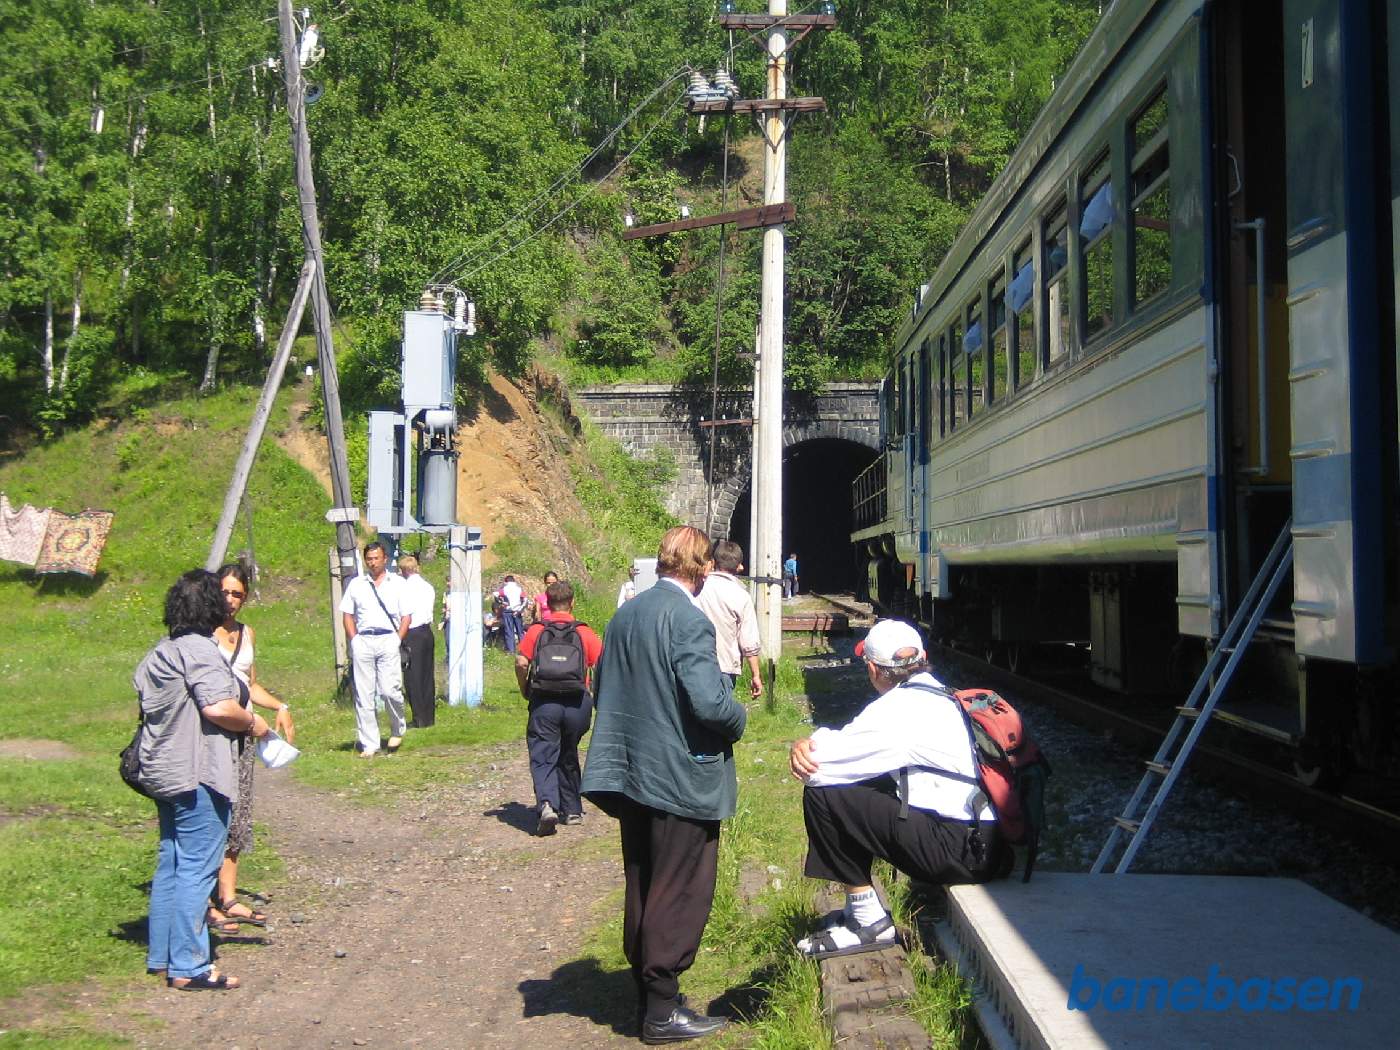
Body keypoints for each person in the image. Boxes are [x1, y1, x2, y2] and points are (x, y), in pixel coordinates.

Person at [582, 526, 747, 1044]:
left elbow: (602, 682)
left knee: (644, 880)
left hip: (633, 775)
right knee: (680, 888)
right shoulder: (688, 620)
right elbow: (708, 702)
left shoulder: (626, 613)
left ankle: (649, 995)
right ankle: (661, 1012)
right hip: (678, 777)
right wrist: (738, 715)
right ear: (700, 569)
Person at [788, 619, 1007, 960]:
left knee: (825, 794)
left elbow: (819, 769)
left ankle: (868, 921)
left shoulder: (896, 709)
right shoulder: (939, 692)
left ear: (874, 669)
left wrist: (806, 743)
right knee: (859, 781)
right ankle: (860, 911)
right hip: (984, 842)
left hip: (957, 849)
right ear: (923, 657)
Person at [136, 569, 268, 991]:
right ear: (209, 606)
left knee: (172, 861)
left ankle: (162, 956)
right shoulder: (200, 651)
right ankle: (189, 966)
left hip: (162, 771)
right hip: (198, 773)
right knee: (197, 867)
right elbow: (217, 707)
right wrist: (253, 722)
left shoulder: (161, 650)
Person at [205, 564, 295, 935]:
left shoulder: (247, 633)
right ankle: (203, 899)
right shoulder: (202, 632)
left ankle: (228, 895)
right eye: (225, 592)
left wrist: (280, 707)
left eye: (237, 594)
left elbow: (250, 684)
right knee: (209, 811)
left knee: (238, 811)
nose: (230, 600)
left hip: (243, 732)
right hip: (210, 734)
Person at [515, 580, 603, 835]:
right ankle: (573, 809)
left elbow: (521, 662)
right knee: (568, 751)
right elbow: (602, 662)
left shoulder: (537, 631)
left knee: (544, 753)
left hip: (545, 702)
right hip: (577, 704)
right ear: (572, 602)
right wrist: (597, 694)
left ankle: (547, 804)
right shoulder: (583, 632)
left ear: (547, 603)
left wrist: (525, 689)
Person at [340, 542, 410, 758]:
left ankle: (398, 728)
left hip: (388, 638)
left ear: (385, 559)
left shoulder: (397, 583)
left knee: (390, 691)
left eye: (376, 558)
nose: (372, 562)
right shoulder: (357, 584)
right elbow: (347, 614)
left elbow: (406, 616)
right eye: (369, 559)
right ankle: (370, 743)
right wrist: (355, 640)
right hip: (364, 640)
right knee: (364, 694)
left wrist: (397, 639)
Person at [696, 540, 763, 702]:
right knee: (719, 717)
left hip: (694, 663)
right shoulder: (742, 596)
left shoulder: (696, 588)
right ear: (739, 566)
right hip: (724, 667)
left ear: (713, 562)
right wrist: (756, 676)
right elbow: (749, 643)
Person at [397, 553, 437, 729]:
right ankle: (429, 717)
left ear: (404, 569)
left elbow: (404, 613)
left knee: (412, 676)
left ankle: (418, 717)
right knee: (427, 675)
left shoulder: (405, 588)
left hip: (412, 632)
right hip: (427, 631)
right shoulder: (428, 587)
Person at [499, 574, 526, 653]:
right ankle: (523, 649)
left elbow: (496, 595)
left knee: (509, 631)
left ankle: (511, 650)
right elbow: (525, 599)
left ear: (506, 581)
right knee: (520, 631)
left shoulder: (503, 589)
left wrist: (503, 602)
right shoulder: (519, 589)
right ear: (514, 580)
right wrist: (520, 609)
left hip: (507, 611)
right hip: (517, 611)